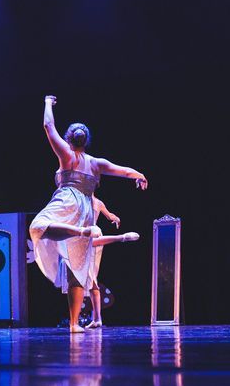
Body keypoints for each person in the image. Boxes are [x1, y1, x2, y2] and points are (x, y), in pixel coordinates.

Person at [30, 95, 147, 333]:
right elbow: (123, 171)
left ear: (69, 139)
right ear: (86, 141)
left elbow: (48, 126)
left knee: (37, 226)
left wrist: (47, 103)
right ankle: (74, 324)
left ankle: (82, 231)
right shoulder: (96, 163)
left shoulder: (67, 155)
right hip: (85, 210)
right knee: (77, 269)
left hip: (67, 201)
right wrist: (139, 175)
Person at [85, 196, 139, 329]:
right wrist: (115, 218)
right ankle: (97, 319)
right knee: (91, 280)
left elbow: (108, 215)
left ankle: (121, 237)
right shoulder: (85, 200)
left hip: (89, 234)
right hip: (88, 234)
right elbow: (109, 216)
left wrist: (114, 218)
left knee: (89, 278)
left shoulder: (91, 201)